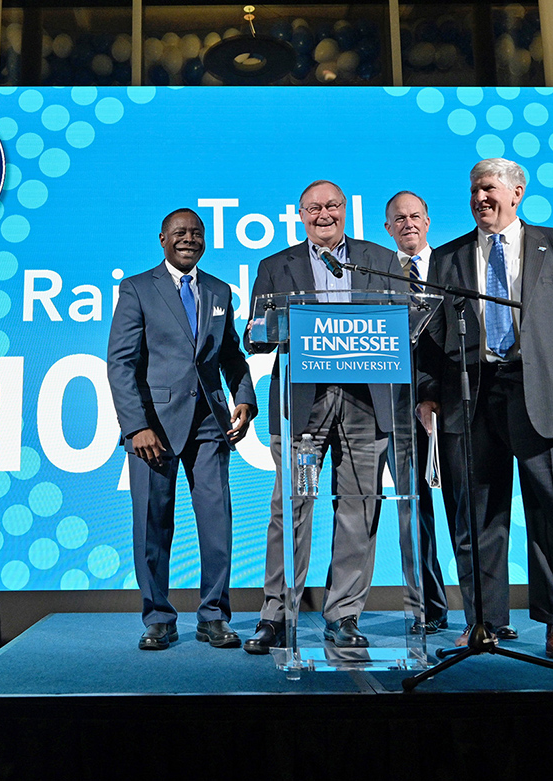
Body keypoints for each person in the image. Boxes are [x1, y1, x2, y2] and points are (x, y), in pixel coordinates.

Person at [416, 159, 553, 659]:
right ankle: (484, 622)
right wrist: (426, 391)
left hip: (547, 395)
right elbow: (430, 334)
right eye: (474, 189)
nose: (480, 197)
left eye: (489, 188)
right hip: (472, 396)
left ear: (517, 192)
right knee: (475, 518)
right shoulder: (448, 256)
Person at [243, 180, 402, 653]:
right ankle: (276, 613)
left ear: (345, 211)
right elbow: (254, 334)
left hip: (364, 400)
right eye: (314, 208)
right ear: (300, 215)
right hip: (303, 405)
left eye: (332, 206)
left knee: (358, 506)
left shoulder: (380, 259)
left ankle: (345, 615)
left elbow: (405, 321)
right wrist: (272, 326)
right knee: (292, 507)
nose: (324, 214)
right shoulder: (276, 266)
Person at [108, 208, 257, 651]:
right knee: (152, 525)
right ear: (162, 239)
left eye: (196, 232)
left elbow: (230, 355)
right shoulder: (137, 287)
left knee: (218, 522)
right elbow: (121, 363)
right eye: (179, 233)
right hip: (154, 428)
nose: (188, 239)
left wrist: (245, 397)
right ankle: (158, 617)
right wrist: (136, 427)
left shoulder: (218, 289)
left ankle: (214, 615)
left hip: (210, 425)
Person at [384, 190, 448, 634]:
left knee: (471, 509)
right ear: (388, 228)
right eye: (398, 219)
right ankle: (428, 607)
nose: (408, 223)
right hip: (397, 408)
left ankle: (489, 612)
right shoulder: (379, 276)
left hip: (455, 405)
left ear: (428, 221)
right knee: (414, 510)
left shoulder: (454, 267)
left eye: (415, 216)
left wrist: (437, 393)